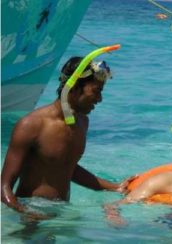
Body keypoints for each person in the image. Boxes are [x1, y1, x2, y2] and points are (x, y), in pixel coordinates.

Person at [1, 57, 135, 217]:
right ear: (74, 87)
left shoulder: (82, 122)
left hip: (63, 211)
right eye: (96, 90)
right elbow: (4, 188)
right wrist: (25, 213)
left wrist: (115, 187)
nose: (100, 99)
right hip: (31, 214)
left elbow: (66, 166)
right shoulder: (31, 125)